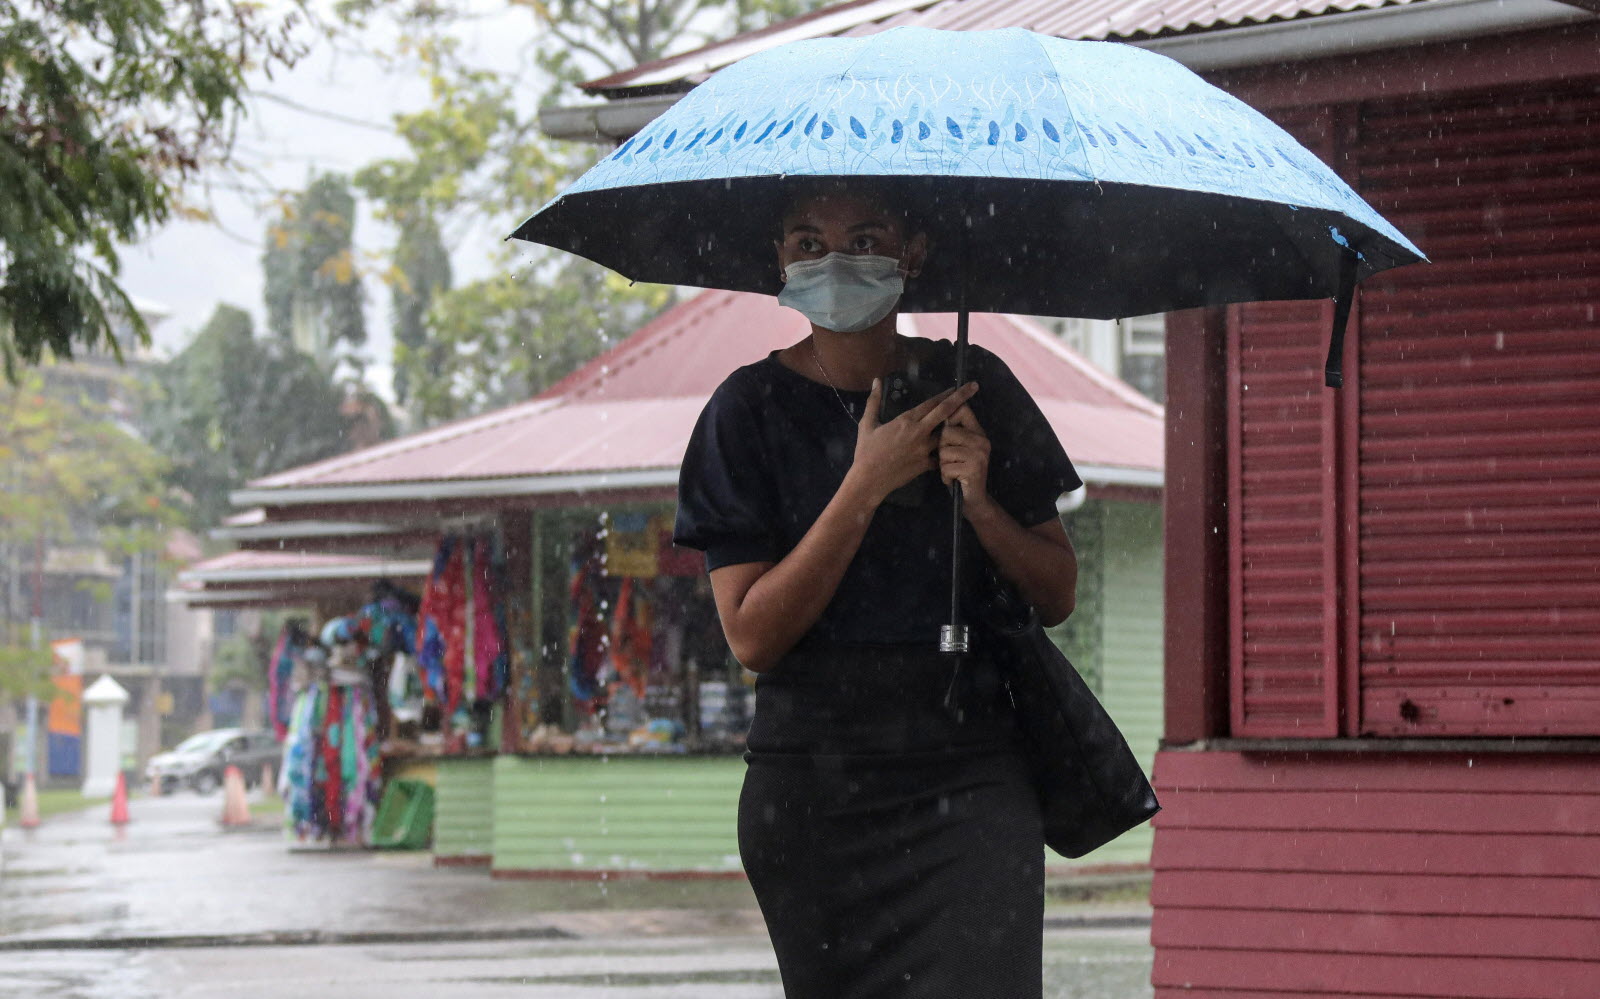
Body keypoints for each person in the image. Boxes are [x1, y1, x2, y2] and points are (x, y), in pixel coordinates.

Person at [673, 179, 1082, 998]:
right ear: (778, 261)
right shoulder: (743, 411)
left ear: (913, 253)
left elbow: (1057, 591)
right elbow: (753, 635)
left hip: (969, 768)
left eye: (865, 240)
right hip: (816, 787)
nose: (836, 262)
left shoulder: (976, 385)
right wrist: (864, 483)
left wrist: (981, 501)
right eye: (808, 243)